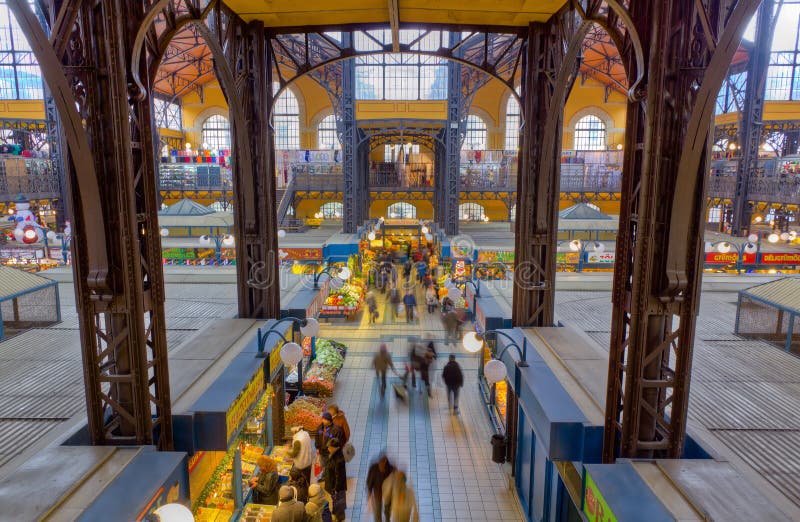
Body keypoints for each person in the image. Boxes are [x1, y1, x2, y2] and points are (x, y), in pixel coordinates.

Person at [323, 438, 348, 522]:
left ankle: (339, 518)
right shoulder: (334, 454)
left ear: (334, 447)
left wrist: (336, 489)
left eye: (329, 447)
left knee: (339, 502)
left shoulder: (339, 460)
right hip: (334, 486)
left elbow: (339, 477)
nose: (328, 449)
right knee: (336, 501)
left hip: (337, 487)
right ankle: (336, 515)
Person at [366, 455, 395, 522]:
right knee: (377, 513)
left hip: (388, 494)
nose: (382, 468)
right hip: (377, 494)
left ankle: (387, 519)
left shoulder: (390, 469)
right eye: (381, 465)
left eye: (384, 466)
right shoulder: (373, 469)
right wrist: (369, 495)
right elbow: (369, 483)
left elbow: (395, 479)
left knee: (387, 511)